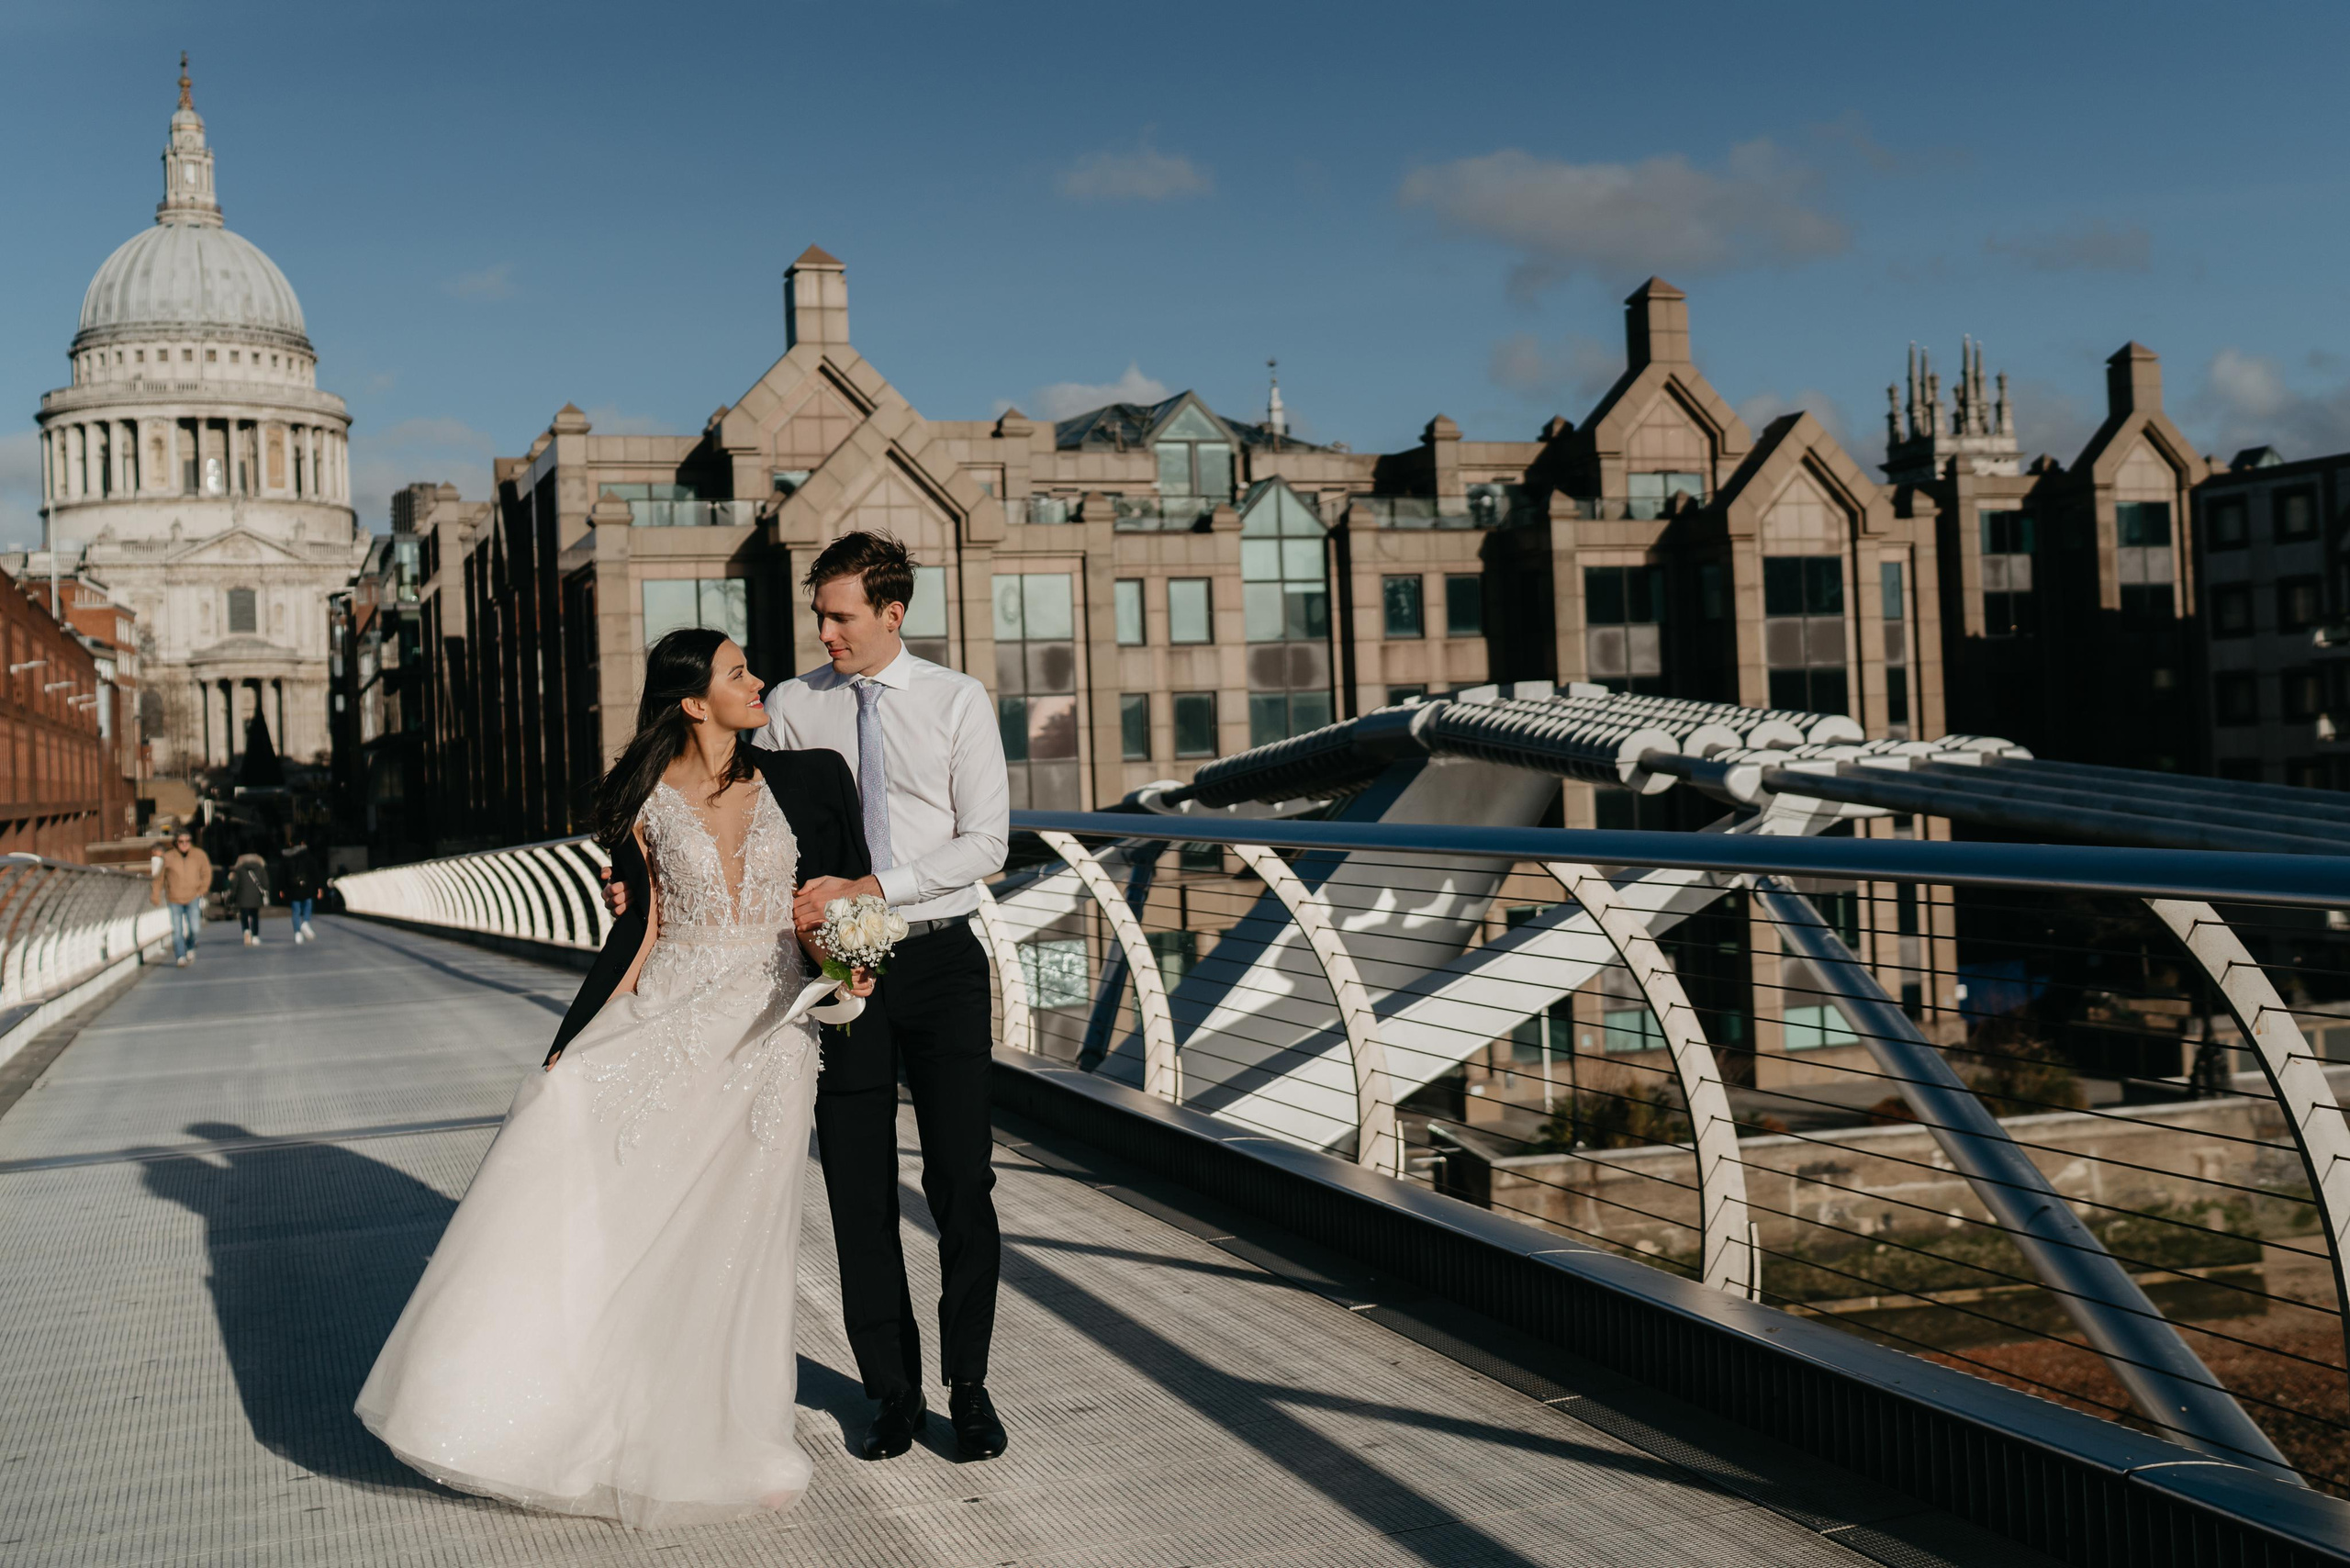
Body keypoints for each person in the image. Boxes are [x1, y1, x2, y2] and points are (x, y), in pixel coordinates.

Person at [356, 629, 873, 1529]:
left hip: (772, 1040)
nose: (759, 683)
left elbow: (851, 886)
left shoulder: (805, 775)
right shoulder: (637, 797)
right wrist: (567, 1051)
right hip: (667, 1025)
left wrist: (852, 955)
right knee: (632, 1218)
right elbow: (636, 935)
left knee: (744, 1236)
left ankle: (739, 1434)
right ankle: (589, 1417)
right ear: (691, 701)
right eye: (738, 673)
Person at [607, 530, 1011, 1462]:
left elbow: (986, 844)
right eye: (819, 614)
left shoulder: (957, 700)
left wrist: (874, 889)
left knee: (963, 1181)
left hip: (940, 960)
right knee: (856, 1186)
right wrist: (641, 880)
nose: (823, 631)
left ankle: (971, 1386)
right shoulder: (788, 707)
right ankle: (894, 1395)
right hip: (830, 970)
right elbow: (710, 794)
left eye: (840, 615)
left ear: (891, 613)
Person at [151, 828, 212, 968]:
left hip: (193, 897)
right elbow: (160, 878)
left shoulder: (199, 855)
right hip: (174, 898)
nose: (184, 844)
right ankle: (180, 956)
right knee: (177, 930)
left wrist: (202, 889)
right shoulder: (168, 857)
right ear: (176, 843)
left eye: (187, 841)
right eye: (181, 841)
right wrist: (155, 894)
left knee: (195, 928)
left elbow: (206, 873)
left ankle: (190, 947)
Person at [282, 838, 322, 943]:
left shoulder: (287, 858)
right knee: (308, 906)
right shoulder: (308, 857)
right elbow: (315, 873)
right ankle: (306, 923)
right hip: (307, 888)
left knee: (296, 911)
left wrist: (282, 889)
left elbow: (283, 875)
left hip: (293, 888)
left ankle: (297, 933)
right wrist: (318, 887)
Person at [229, 852, 269, 945]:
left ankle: (246, 931)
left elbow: (235, 884)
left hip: (242, 896)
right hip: (256, 897)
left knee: (244, 915)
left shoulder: (239, 869)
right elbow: (265, 883)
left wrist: (233, 895)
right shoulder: (260, 868)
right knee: (254, 916)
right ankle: (255, 936)